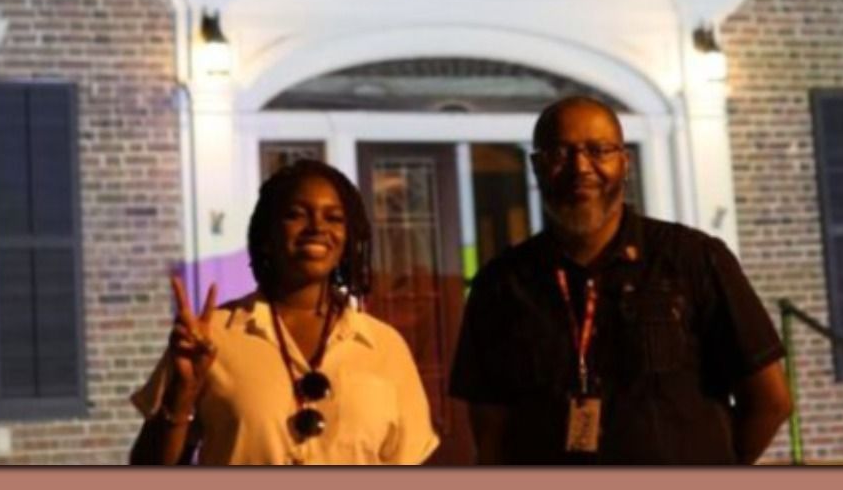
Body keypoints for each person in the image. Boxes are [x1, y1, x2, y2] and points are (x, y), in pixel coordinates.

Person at [450, 95, 794, 464]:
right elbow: (490, 433)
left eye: (598, 150)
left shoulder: (695, 260)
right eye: (561, 153)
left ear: (624, 163)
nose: (580, 167)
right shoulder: (500, 285)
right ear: (537, 166)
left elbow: (770, 401)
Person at [128, 159, 440, 465]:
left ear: (348, 241)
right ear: (266, 236)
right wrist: (182, 393)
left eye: (334, 218)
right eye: (296, 215)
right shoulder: (210, 338)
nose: (317, 227)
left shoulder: (385, 346)